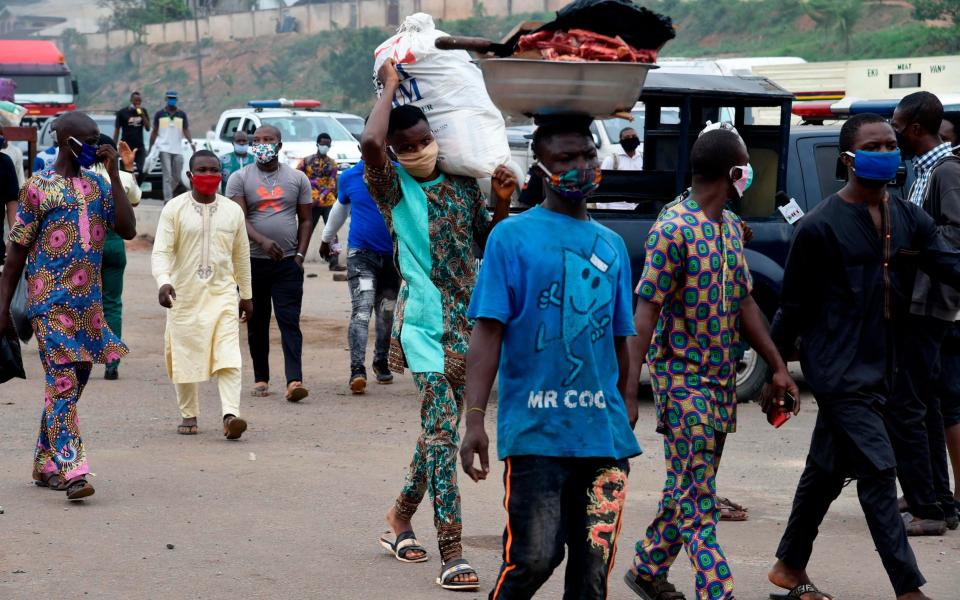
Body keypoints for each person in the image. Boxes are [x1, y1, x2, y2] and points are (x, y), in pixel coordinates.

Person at [764, 113, 959, 600]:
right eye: (874, 145)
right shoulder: (820, 226)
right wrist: (775, 367)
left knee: (825, 472)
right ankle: (908, 590)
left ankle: (788, 566)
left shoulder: (908, 218)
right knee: (877, 470)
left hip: (888, 370)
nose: (886, 152)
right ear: (849, 159)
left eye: (891, 143)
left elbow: (948, 264)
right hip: (837, 373)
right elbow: (793, 306)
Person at [459, 116, 641, 599]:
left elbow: (624, 335)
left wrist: (627, 399)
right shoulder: (511, 238)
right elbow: (488, 331)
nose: (581, 167)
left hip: (604, 439)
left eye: (586, 156)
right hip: (536, 435)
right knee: (534, 558)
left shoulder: (612, 246)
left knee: (592, 576)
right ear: (540, 167)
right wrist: (474, 418)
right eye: (566, 159)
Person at [362, 58, 516, 592]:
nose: (419, 150)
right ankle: (451, 550)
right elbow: (369, 145)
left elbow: (487, 245)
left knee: (439, 430)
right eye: (408, 146)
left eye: (425, 139)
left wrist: (499, 202)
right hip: (422, 326)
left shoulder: (460, 184)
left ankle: (399, 516)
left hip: (465, 324)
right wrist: (388, 87)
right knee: (442, 431)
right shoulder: (392, 187)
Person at [626, 128, 798, 600]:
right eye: (747, 166)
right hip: (681, 380)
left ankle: (646, 568)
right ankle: (715, 588)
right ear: (734, 173)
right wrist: (627, 389)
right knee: (700, 497)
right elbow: (646, 310)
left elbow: (744, 303)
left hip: (720, 380)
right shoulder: (673, 229)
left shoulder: (726, 226)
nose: (752, 174)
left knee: (689, 481)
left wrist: (778, 366)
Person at [0, 112, 137, 501]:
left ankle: (44, 463)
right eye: (89, 139)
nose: (97, 144)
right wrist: (3, 310)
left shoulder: (97, 185)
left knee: (71, 385)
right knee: (62, 383)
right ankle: (73, 470)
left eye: (98, 138)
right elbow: (14, 257)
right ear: (66, 142)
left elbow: (126, 229)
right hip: (49, 305)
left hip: (87, 307)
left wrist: (113, 174)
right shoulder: (37, 188)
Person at [886, 92, 960, 535]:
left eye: (896, 125)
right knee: (925, 404)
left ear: (915, 128)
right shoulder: (924, 169)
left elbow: (953, 233)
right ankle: (936, 498)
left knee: (913, 405)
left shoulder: (946, 171)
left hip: (931, 304)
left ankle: (930, 506)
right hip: (918, 301)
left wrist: (911, 244)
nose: (893, 133)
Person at [153, 150, 253, 440]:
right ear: (190, 176)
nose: (209, 176)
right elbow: (161, 251)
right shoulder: (174, 209)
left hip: (222, 295)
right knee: (183, 354)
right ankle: (188, 413)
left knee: (229, 355)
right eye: (202, 170)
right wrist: (163, 281)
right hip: (183, 295)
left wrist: (245, 294)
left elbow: (241, 256)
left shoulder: (233, 211)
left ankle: (231, 415)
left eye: (214, 170)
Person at [226, 124, 311, 403]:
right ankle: (261, 377)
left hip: (288, 264)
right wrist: (262, 240)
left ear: (279, 145)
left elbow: (306, 219)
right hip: (252, 262)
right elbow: (239, 219)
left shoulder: (297, 178)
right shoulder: (239, 178)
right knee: (257, 321)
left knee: (289, 321)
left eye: (268, 139)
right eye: (257, 140)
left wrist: (299, 256)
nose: (262, 144)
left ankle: (294, 380)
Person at [319, 159, 399, 394]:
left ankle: (380, 361)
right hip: (361, 255)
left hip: (393, 257)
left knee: (386, 311)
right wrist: (326, 238)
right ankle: (357, 369)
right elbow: (340, 208)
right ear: (360, 149)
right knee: (362, 310)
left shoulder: (401, 174)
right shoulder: (349, 177)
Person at [92, 134, 141, 381]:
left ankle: (81, 354)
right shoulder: (121, 177)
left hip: (88, 245)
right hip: (114, 243)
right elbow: (135, 200)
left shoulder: (81, 178)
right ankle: (112, 361)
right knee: (112, 302)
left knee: (85, 301)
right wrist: (128, 168)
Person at [298, 132, 344, 271]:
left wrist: (321, 196)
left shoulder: (332, 163)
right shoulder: (306, 161)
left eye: (327, 144)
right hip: (310, 202)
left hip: (328, 202)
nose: (325, 146)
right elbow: (298, 178)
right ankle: (297, 259)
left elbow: (332, 183)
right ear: (317, 144)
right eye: (323, 144)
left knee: (332, 231)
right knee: (306, 231)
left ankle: (334, 262)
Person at [150, 90, 195, 202]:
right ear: (166, 99)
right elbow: (155, 131)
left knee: (177, 176)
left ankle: (172, 193)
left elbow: (185, 129)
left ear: (177, 100)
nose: (172, 100)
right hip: (164, 149)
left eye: (174, 98)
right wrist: (151, 147)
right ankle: (168, 200)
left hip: (177, 149)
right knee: (167, 176)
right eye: (170, 98)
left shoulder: (181, 114)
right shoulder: (159, 114)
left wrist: (191, 143)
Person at [597, 127, 642, 210]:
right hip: (616, 208)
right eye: (627, 137)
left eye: (634, 136)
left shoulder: (643, 158)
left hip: (638, 208)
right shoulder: (612, 159)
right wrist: (602, 209)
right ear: (621, 140)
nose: (631, 139)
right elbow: (601, 184)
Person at [113, 91, 150, 182]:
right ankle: (127, 191)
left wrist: (142, 114)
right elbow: (117, 130)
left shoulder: (143, 111)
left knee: (142, 170)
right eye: (136, 100)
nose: (138, 102)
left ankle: (136, 187)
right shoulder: (122, 112)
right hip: (126, 146)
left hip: (139, 147)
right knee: (125, 172)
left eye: (139, 100)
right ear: (131, 100)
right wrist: (114, 145)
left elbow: (148, 128)